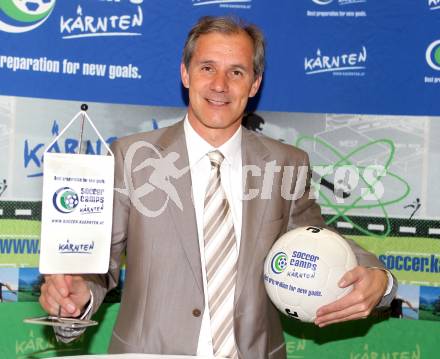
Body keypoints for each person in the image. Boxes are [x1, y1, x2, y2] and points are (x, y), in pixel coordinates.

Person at [39, 16, 397, 358]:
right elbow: (97, 264)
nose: (220, 85)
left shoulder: (286, 163)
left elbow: (318, 239)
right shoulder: (130, 157)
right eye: (207, 67)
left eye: (236, 72)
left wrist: (380, 279)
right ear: (185, 73)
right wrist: (75, 296)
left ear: (254, 84)